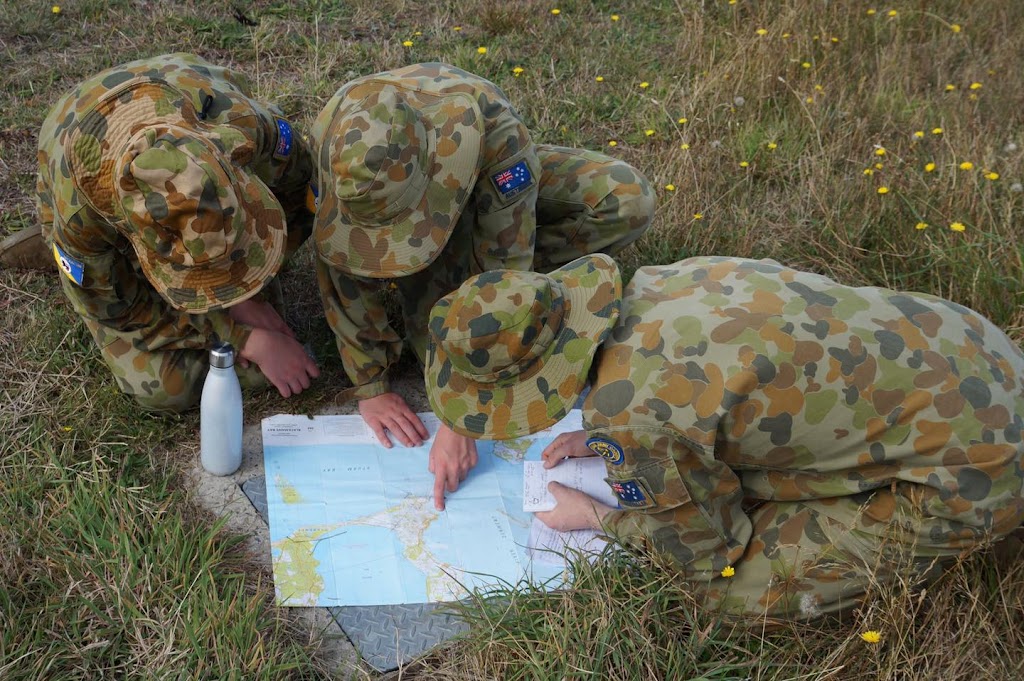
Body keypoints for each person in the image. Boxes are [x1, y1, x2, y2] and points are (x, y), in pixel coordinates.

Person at [423, 254, 1024, 620]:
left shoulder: (633, 418)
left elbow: (707, 557)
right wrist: (607, 430)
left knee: (730, 597)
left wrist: (597, 518)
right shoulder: (661, 282)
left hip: (985, 467)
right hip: (982, 348)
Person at [312, 62, 655, 507]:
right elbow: (337, 260)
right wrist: (370, 385)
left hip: (481, 186)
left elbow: (504, 277)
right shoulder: (339, 138)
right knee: (430, 342)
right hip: (426, 204)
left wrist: (460, 421)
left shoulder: (494, 133)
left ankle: (482, 273)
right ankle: (432, 271)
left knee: (626, 199)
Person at [32, 53, 320, 412]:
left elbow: (302, 189)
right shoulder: (81, 219)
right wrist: (239, 336)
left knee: (264, 337)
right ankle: (56, 243)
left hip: (182, 83)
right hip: (71, 144)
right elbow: (120, 310)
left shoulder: (244, 127)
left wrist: (243, 294)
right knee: (167, 390)